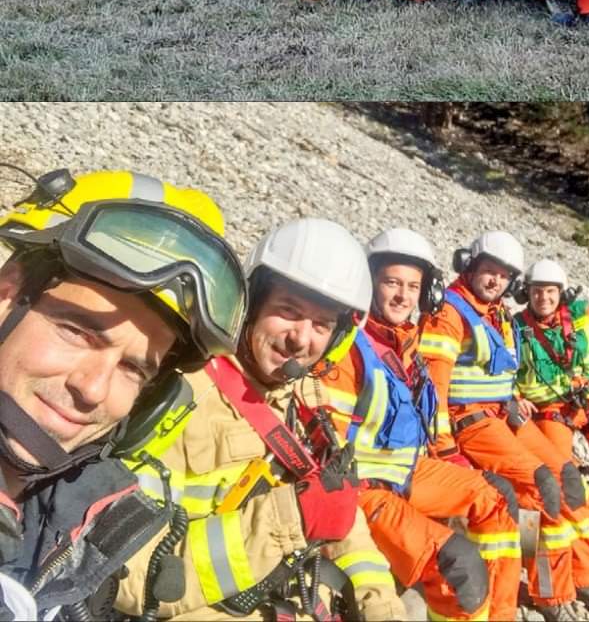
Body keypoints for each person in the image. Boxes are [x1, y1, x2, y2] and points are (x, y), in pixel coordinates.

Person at [114, 217, 403, 621]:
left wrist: (382, 606)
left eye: (321, 325)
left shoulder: (305, 402)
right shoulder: (183, 393)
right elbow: (125, 580)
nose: (301, 339)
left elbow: (340, 518)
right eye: (288, 312)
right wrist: (288, 518)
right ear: (250, 304)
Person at [0, 167, 248, 618]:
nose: (93, 389)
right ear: (6, 295)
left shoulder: (84, 528)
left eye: (133, 369)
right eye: (78, 332)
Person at [312, 228, 521, 621]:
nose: (402, 296)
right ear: (368, 282)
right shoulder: (348, 347)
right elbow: (326, 448)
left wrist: (449, 457)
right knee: (458, 567)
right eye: (391, 282)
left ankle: (501, 614)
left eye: (413, 286)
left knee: (497, 496)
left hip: (404, 471)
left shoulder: (406, 343)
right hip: (364, 487)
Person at [419, 232, 589, 621]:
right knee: (540, 486)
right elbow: (436, 384)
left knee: (567, 477)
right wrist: (442, 442)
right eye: (488, 271)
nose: (495, 280)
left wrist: (513, 399)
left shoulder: (496, 314)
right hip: (471, 420)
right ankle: (543, 595)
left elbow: (503, 369)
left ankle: (580, 576)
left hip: (503, 412)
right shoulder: (451, 313)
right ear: (471, 267)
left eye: (503, 275)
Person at [512, 258, 589, 558]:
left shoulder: (584, 317)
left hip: (588, 399)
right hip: (549, 410)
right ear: (526, 293)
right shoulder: (515, 327)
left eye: (550, 291)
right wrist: (515, 397)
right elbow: (504, 368)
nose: (544, 298)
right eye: (537, 291)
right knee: (563, 476)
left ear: (562, 292)